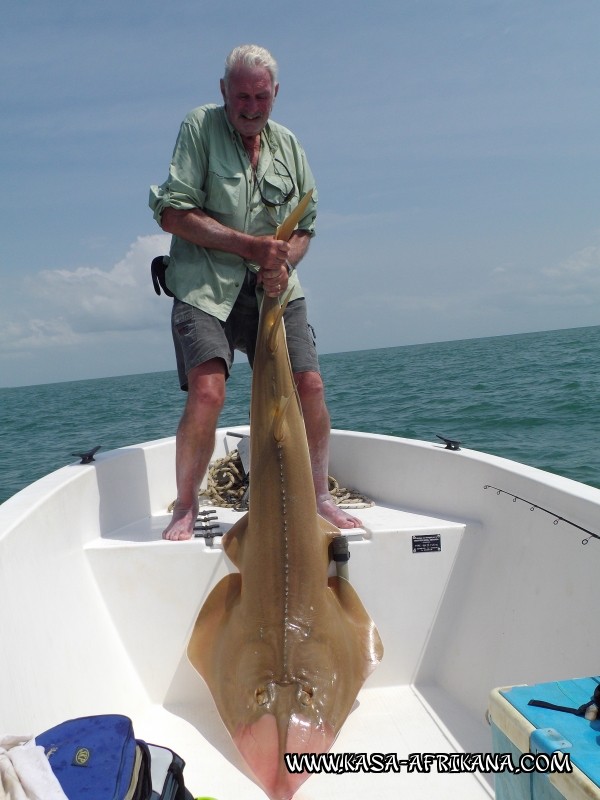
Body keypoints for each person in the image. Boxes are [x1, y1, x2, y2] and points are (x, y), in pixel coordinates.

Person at [149, 44, 360, 540]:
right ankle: (185, 504)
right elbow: (172, 213)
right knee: (208, 390)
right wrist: (250, 246)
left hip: (274, 289)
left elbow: (305, 227)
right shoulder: (200, 127)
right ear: (224, 91)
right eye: (240, 95)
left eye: (260, 96)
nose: (250, 106)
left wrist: (284, 263)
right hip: (204, 284)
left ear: (275, 94)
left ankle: (319, 496)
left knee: (310, 387)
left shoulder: (289, 146)